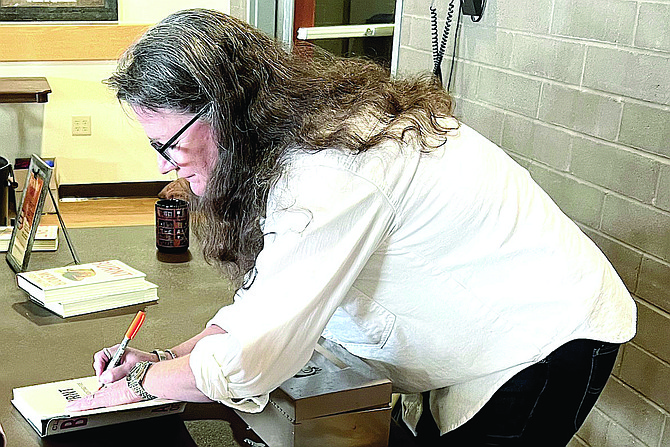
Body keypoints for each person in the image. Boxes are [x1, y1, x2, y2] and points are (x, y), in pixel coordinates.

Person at [67, 8, 636, 446]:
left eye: (168, 144)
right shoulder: (293, 139)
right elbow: (263, 305)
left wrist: (138, 388)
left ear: (223, 111)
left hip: (543, 336)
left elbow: (249, 362)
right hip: (489, 327)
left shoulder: (327, 168)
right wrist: (164, 359)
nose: (165, 165)